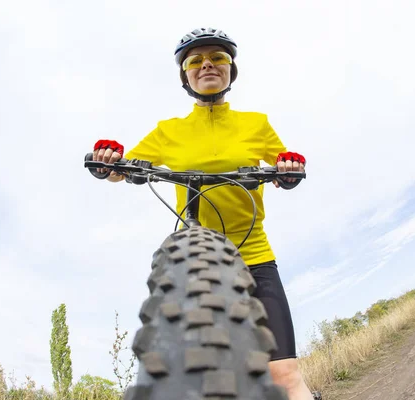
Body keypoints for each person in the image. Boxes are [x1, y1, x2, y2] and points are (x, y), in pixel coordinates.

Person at [92, 28, 314, 400]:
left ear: (230, 70)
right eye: (195, 60)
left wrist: (289, 167)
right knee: (191, 373)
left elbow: (283, 163)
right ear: (186, 76)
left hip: (255, 255)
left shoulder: (256, 124)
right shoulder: (168, 132)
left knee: (284, 376)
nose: (207, 64)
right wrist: (109, 160)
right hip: (192, 267)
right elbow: (126, 168)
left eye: (218, 58)